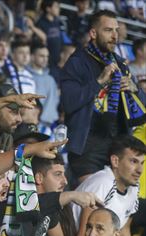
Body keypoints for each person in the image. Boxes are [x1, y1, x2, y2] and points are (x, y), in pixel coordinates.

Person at [61, 10, 146, 183]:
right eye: (108, 30)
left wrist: (135, 90)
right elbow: (68, 103)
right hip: (88, 145)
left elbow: (142, 108)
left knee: (117, 206)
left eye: (116, 30)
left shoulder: (121, 64)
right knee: (93, 201)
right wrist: (99, 81)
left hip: (119, 143)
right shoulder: (77, 62)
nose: (115, 36)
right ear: (93, 33)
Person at [72, 136, 145, 236]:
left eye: (142, 163)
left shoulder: (133, 188)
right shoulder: (102, 183)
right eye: (133, 162)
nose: (140, 170)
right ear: (115, 161)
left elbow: (123, 234)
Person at [28, 43, 60, 128]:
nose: (45, 59)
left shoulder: (51, 79)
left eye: (47, 56)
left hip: (49, 125)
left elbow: (55, 102)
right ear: (32, 57)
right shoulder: (26, 76)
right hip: (32, 123)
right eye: (42, 56)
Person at [36, 0, 65, 68]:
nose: (59, 9)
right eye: (56, 7)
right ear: (48, 9)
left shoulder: (57, 21)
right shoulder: (40, 23)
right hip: (47, 59)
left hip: (58, 58)